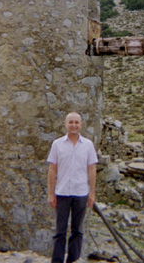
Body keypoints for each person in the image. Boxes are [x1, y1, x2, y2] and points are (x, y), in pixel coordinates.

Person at [46, 112, 98, 263]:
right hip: (62, 193)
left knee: (77, 230)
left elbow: (92, 169)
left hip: (80, 193)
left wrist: (92, 193)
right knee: (60, 231)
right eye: (71, 122)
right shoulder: (57, 144)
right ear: (65, 124)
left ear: (81, 125)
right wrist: (50, 193)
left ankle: (73, 260)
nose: (74, 125)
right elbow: (52, 169)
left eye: (77, 122)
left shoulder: (88, 145)